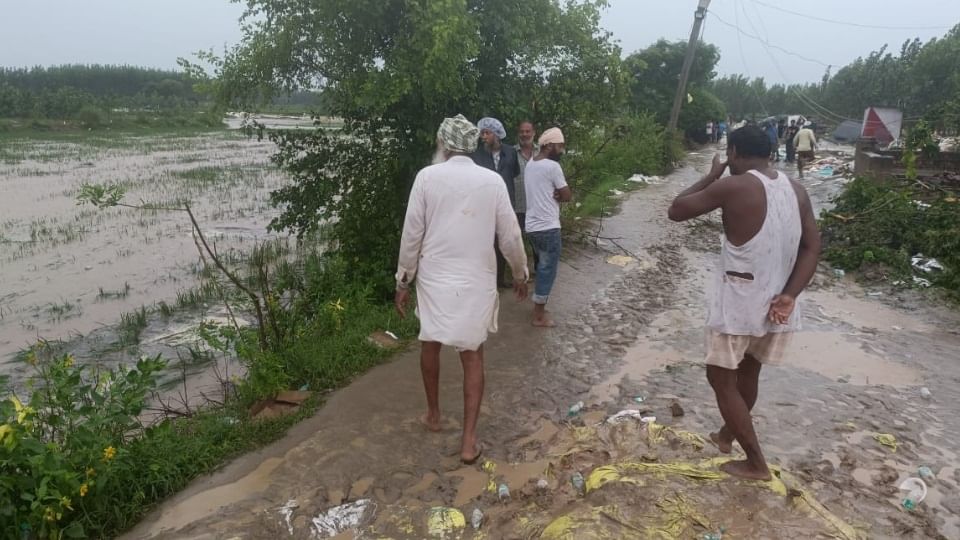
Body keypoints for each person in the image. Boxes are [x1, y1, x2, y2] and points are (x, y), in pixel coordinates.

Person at [667, 125, 820, 481]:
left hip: (738, 302)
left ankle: (755, 463)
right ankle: (725, 436)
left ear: (734, 152)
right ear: (769, 152)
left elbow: (676, 210)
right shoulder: (796, 189)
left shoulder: (735, 184)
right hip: (777, 304)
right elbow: (812, 247)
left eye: (729, 155)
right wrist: (790, 295)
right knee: (749, 372)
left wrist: (709, 177)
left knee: (721, 379)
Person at [395, 114, 529, 464]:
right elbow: (510, 236)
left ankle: (434, 415)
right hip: (476, 279)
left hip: (435, 278)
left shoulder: (427, 177)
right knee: (472, 355)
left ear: (443, 144)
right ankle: (469, 442)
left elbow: (412, 235)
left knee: (430, 341)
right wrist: (520, 273)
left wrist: (403, 280)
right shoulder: (492, 181)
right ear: (471, 145)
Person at [524, 127, 572, 328]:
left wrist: (557, 193)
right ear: (550, 145)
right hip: (548, 227)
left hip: (532, 226)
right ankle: (539, 315)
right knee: (547, 270)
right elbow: (567, 195)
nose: (562, 150)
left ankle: (539, 307)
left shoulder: (530, 164)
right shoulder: (553, 167)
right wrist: (560, 194)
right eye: (560, 146)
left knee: (541, 267)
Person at [473, 117, 522, 288]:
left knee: (505, 240)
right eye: (482, 133)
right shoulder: (477, 155)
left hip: (506, 202)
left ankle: (500, 279)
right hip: (485, 205)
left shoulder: (510, 152)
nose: (483, 137)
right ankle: (487, 279)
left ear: (496, 134)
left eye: (486, 133)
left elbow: (514, 172)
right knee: (487, 242)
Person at [515, 120, 540, 270]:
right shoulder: (511, 153)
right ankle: (518, 271)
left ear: (534, 133)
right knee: (514, 240)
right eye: (522, 132)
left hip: (536, 206)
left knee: (537, 240)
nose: (524, 134)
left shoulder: (542, 152)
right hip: (517, 205)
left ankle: (539, 269)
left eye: (527, 131)